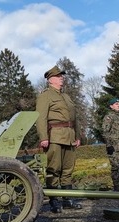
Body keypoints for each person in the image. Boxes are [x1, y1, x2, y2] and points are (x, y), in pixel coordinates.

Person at [36, 65, 82, 213]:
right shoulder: (45, 96)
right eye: (59, 76)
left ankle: (68, 199)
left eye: (62, 76)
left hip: (69, 136)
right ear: (50, 80)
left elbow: (74, 118)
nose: (62, 78)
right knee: (53, 169)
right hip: (54, 136)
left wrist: (78, 136)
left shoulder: (66, 96)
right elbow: (41, 118)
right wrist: (43, 137)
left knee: (68, 169)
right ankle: (54, 200)